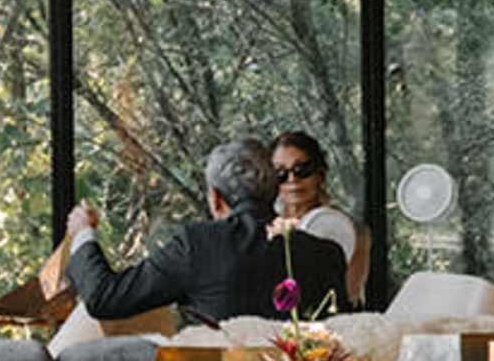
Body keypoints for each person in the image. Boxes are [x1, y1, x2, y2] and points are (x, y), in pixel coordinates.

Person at [61, 136, 349, 329]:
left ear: (216, 198)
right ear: (275, 189)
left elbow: (104, 298)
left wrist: (83, 233)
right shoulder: (326, 254)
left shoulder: (197, 244)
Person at [271, 128, 371, 306]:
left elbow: (348, 294)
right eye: (281, 173)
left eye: (302, 169)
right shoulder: (267, 228)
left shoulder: (348, 230)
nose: (292, 179)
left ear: (320, 174)